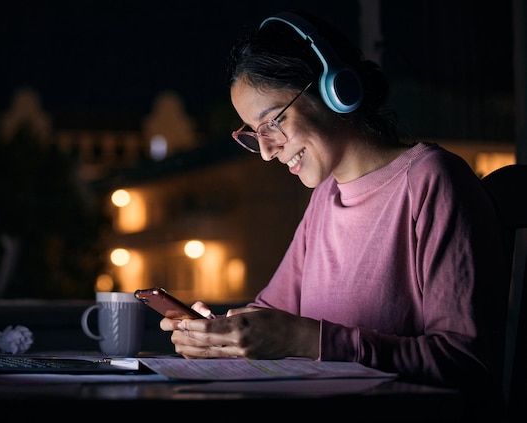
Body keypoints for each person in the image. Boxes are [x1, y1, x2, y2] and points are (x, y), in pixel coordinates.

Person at [159, 10, 506, 401]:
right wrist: (218, 337)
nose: (267, 153)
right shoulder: (325, 197)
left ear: (332, 89)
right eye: (256, 135)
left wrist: (312, 339)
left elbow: (468, 361)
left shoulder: (432, 181)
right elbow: (268, 317)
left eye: (273, 122)